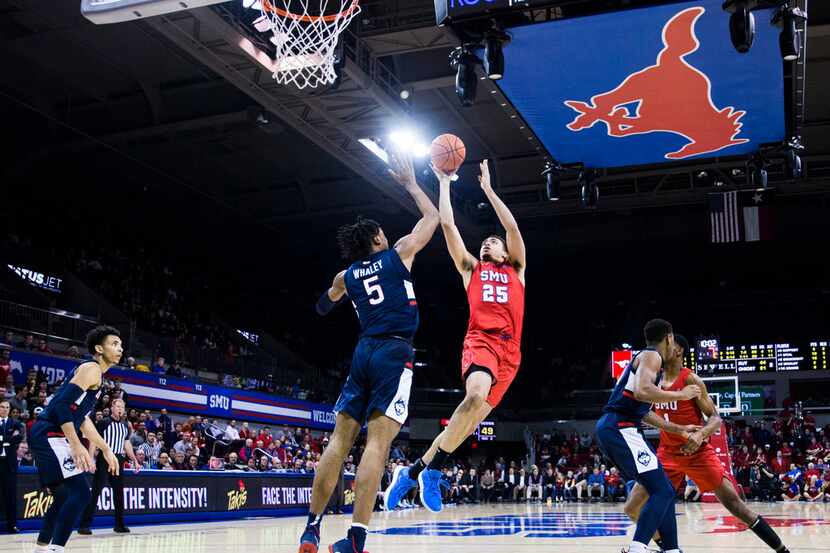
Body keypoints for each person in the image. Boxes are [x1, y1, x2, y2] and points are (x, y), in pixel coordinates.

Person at [297, 148, 439, 553]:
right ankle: (356, 538)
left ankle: (311, 527)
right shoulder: (398, 255)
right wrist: (411, 183)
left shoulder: (348, 274)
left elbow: (323, 306)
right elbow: (433, 219)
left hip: (362, 352)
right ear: (378, 238)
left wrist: (334, 293)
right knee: (377, 444)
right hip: (394, 353)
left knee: (338, 443)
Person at [386, 159, 526, 513]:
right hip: (481, 342)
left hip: (511, 355)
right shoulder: (470, 269)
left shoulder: (517, 269)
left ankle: (412, 471)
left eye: (493, 242)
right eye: (484, 242)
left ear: (505, 253)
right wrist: (444, 182)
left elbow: (511, 226)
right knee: (473, 396)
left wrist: (489, 191)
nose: (487, 244)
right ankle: (431, 471)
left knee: (466, 427)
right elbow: (447, 224)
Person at [624, 334, 791, 553]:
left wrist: (701, 434)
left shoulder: (691, 379)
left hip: (698, 454)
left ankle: (782, 551)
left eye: (667, 345)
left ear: (678, 350)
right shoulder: (652, 379)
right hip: (667, 454)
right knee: (632, 507)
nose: (661, 350)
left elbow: (715, 418)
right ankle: (666, 548)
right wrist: (674, 429)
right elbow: (643, 414)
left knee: (737, 507)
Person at [595, 319, 701, 553]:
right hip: (620, 428)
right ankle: (638, 546)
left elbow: (644, 411)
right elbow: (644, 391)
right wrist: (682, 395)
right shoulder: (652, 356)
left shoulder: (648, 361)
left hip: (618, 428)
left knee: (662, 488)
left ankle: (671, 548)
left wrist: (678, 430)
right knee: (662, 490)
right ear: (669, 338)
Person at [28, 326, 122, 553]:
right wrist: (76, 444)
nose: (120, 349)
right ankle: (56, 549)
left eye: (120, 345)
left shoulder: (96, 378)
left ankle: (41, 547)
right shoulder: (92, 369)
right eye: (114, 344)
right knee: (80, 493)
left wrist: (105, 448)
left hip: (52, 432)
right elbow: (60, 406)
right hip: (50, 432)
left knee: (63, 494)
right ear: (99, 349)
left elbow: (82, 420)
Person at [78, 398, 140, 535]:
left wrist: (134, 459)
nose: (120, 409)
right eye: (117, 406)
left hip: (119, 459)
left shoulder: (125, 425)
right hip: (104, 459)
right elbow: (93, 440)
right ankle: (84, 525)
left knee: (119, 494)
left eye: (122, 407)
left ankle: (119, 525)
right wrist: (91, 458)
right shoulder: (103, 422)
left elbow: (127, 444)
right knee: (95, 492)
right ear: (112, 408)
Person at [1, 399, 25, 533]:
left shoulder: (15, 423)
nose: (4, 409)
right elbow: (12, 439)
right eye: (2, 407)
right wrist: (8, 439)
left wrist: (2, 439)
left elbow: (19, 437)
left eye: (6, 407)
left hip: (9, 464)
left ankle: (13, 525)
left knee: (11, 495)